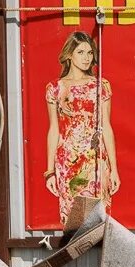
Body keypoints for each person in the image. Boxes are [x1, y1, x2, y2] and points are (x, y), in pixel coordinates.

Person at [44, 31, 117, 229]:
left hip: (95, 159)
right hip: (68, 161)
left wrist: (114, 169)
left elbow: (106, 127)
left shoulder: (101, 86)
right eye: (80, 52)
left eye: (90, 53)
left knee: (98, 217)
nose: (86, 58)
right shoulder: (55, 88)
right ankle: (74, 257)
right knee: (72, 218)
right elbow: (54, 130)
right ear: (69, 55)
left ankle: (98, 257)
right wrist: (49, 171)